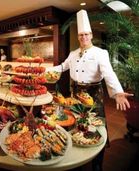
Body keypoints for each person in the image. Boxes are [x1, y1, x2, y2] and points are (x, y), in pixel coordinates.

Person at [47, 9, 133, 171]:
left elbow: (108, 72)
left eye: (87, 34)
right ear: (78, 37)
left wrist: (117, 91)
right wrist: (44, 70)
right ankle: (77, 155)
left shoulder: (100, 53)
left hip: (94, 93)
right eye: (81, 35)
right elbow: (62, 67)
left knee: (95, 126)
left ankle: (97, 162)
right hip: (75, 92)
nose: (84, 37)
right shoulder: (73, 54)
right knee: (75, 122)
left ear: (91, 35)